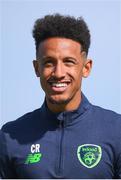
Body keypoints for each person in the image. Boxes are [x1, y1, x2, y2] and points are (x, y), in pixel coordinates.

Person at [0, 14, 121, 179]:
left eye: (69, 62)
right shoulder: (10, 136)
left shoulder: (116, 130)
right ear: (37, 68)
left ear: (86, 68)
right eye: (49, 62)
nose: (58, 73)